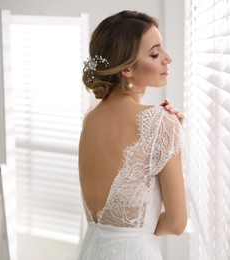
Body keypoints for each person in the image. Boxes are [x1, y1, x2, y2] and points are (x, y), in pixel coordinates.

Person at [77, 10, 187, 260]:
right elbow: (177, 223)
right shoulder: (161, 123)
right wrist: (137, 232)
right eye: (155, 53)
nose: (167, 59)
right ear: (126, 69)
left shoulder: (90, 120)